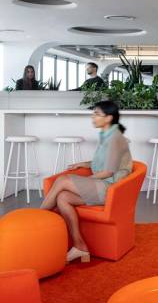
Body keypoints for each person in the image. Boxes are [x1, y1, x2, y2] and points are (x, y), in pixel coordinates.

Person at [40, 101, 132, 263]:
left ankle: (37, 218)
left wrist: (83, 180)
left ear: (108, 118)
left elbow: (108, 171)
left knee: (63, 180)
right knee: (62, 198)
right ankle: (79, 246)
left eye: (97, 114)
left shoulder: (116, 139)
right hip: (103, 185)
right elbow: (104, 162)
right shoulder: (107, 135)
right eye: (94, 113)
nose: (93, 116)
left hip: (110, 189)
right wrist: (84, 164)